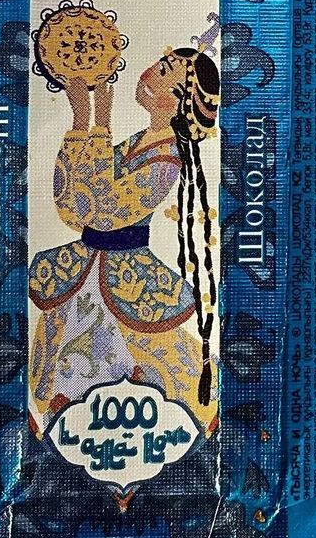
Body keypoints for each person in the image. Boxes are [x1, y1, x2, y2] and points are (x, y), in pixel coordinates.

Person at [28, 49, 220, 438]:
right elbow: (73, 206)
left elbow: (104, 212)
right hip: (87, 264)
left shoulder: (167, 158)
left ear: (180, 101)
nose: (149, 74)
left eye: (164, 74)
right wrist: (82, 123)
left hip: (124, 274)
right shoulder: (136, 141)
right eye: (158, 65)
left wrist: (97, 122)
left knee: (138, 360)